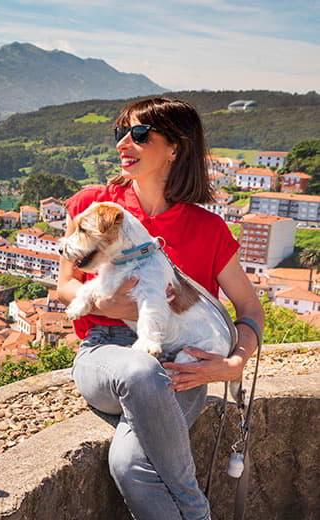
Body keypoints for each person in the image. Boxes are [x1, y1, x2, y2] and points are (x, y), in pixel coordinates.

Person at [56, 97, 264, 520]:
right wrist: (111, 307)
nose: (123, 144)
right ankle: (198, 511)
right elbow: (65, 286)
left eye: (139, 134)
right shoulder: (97, 206)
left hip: (181, 367)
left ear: (174, 147)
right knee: (139, 370)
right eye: (121, 133)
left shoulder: (207, 229)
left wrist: (235, 362)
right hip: (105, 353)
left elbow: (249, 308)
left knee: (130, 465)